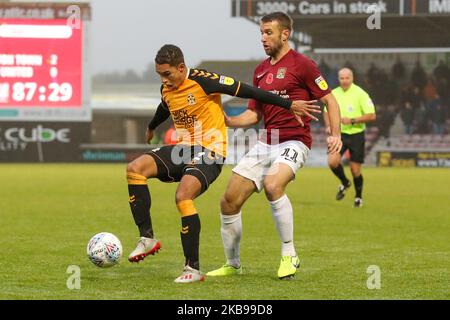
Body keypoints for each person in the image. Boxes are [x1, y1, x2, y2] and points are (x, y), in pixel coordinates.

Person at [126, 44, 318, 283]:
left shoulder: (205, 80)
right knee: (135, 169)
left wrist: (289, 104)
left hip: (211, 150)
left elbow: (249, 91)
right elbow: (164, 107)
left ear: (182, 67)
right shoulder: (167, 88)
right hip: (184, 149)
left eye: (167, 74)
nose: (164, 79)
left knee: (183, 195)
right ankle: (147, 238)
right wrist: (152, 126)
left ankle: (192, 269)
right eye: (159, 74)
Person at [206, 12, 342, 280]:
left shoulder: (303, 65)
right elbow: (254, 115)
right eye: (261, 33)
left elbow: (331, 101)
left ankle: (289, 254)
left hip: (294, 141)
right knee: (228, 201)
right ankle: (233, 264)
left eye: (268, 32)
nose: (263, 38)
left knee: (273, 185)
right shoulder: (260, 71)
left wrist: (335, 134)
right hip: (265, 142)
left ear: (285, 34)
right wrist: (229, 121)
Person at [324, 68, 376, 208]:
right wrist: (328, 125)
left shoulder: (360, 93)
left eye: (347, 78)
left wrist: (352, 120)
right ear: (338, 78)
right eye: (342, 78)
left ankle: (358, 197)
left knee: (355, 170)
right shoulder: (333, 93)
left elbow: (371, 115)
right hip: (339, 135)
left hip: (357, 135)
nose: (345, 80)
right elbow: (326, 110)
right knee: (332, 162)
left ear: (352, 78)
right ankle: (345, 182)